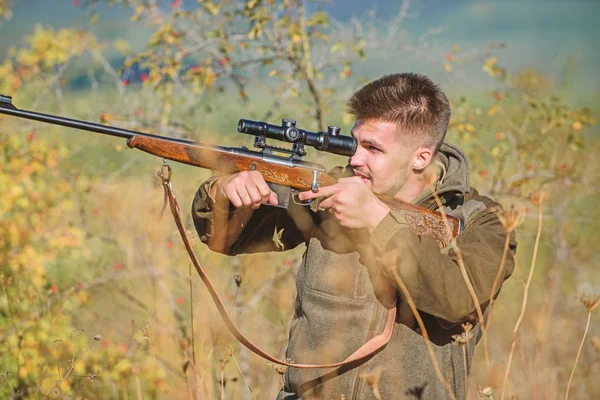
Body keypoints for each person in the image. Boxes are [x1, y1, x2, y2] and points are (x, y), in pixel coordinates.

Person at [192, 73, 517, 399]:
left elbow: (458, 301)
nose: (355, 159)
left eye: (373, 148)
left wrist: (379, 223)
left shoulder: (482, 222)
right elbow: (227, 239)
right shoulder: (330, 191)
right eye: (354, 143)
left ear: (421, 157)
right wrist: (225, 194)